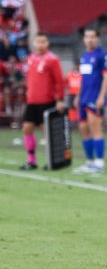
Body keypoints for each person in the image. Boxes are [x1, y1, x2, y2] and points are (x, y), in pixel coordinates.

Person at [19, 33, 65, 170]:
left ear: (47, 43)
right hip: (32, 101)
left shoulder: (52, 59)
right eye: (38, 42)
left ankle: (53, 161)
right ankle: (31, 160)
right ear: (33, 43)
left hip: (47, 101)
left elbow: (59, 81)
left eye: (43, 42)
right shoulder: (30, 58)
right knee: (27, 128)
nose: (40, 44)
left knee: (48, 132)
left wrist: (60, 100)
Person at [76, 28, 107, 173]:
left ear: (98, 39)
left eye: (92, 37)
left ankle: (99, 163)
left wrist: (101, 96)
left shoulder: (102, 55)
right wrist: (78, 96)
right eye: (87, 37)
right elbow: (83, 78)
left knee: (95, 128)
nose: (89, 39)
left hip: (95, 98)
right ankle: (89, 162)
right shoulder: (84, 55)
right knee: (83, 129)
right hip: (84, 98)